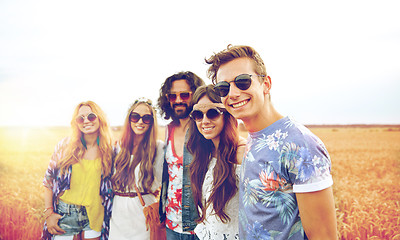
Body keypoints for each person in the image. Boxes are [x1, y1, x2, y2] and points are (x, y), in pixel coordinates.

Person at [205, 45, 337, 239]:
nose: (232, 94)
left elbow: (323, 235)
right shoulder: (253, 137)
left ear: (266, 84)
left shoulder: (300, 145)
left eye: (242, 82)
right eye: (223, 88)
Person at [42, 101, 114, 240]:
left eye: (91, 116)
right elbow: (48, 180)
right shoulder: (65, 146)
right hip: (65, 214)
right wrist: (49, 213)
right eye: (80, 118)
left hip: (95, 214)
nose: (86, 121)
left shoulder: (109, 150)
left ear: (100, 118)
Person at [186, 85, 246, 239]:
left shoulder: (243, 153)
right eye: (198, 115)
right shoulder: (204, 154)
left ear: (227, 115)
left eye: (212, 113)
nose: (204, 121)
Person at [157, 71, 205, 239]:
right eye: (172, 96)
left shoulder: (204, 128)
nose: (178, 100)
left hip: (199, 225)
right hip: (171, 223)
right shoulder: (167, 130)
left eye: (184, 95)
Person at [109, 98, 164, 240]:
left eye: (146, 118)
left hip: (143, 212)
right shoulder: (117, 147)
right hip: (118, 214)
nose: (140, 122)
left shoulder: (158, 148)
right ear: (129, 119)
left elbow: (168, 182)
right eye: (135, 117)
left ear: (152, 122)